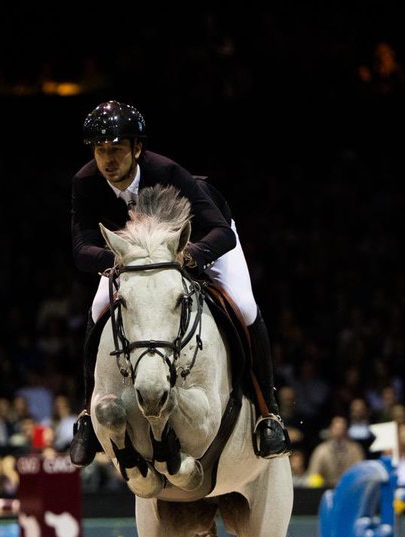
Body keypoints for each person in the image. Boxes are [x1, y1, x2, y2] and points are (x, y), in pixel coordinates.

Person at [67, 100, 289, 466]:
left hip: (201, 243)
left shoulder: (166, 171)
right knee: (96, 310)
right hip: (136, 261)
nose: (108, 160)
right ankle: (89, 418)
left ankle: (268, 414)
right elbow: (81, 248)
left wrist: (191, 255)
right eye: (101, 150)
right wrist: (122, 261)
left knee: (245, 308)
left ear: (137, 148)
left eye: (117, 149)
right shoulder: (85, 182)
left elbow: (221, 232)